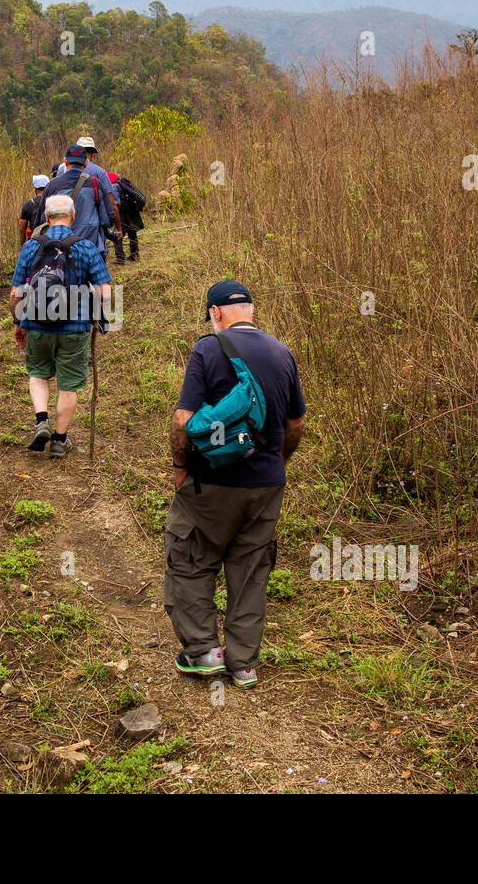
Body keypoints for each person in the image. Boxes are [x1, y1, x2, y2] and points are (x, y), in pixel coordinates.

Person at [165, 280, 306, 689]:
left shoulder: (208, 349)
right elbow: (295, 422)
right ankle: (243, 663)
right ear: (251, 309)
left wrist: (179, 466)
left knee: (192, 560)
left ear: (215, 313)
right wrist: (278, 462)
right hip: (266, 485)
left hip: (211, 483)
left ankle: (203, 651)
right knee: (251, 571)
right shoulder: (283, 354)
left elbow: (181, 420)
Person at [10, 193, 112, 458]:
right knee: (68, 385)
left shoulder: (31, 247)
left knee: (38, 373)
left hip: (36, 324)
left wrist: (18, 322)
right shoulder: (85, 247)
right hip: (74, 328)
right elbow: (106, 294)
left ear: (45, 217)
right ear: (73, 216)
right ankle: (59, 441)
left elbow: (15, 293)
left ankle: (41, 420)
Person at [36, 145, 120, 253]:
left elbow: (41, 220)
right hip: (91, 250)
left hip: (61, 252)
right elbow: (108, 219)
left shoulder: (53, 185)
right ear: (85, 163)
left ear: (65, 162)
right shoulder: (95, 184)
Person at [107, 171, 144, 263]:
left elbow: (116, 203)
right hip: (131, 209)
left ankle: (120, 257)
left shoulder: (113, 186)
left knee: (118, 233)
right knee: (132, 231)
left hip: (123, 211)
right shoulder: (120, 180)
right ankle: (134, 254)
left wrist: (116, 214)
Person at [19, 173, 50, 242]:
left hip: (35, 241)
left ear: (35, 189)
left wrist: (23, 246)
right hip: (51, 240)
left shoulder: (28, 204)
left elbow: (22, 228)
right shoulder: (53, 202)